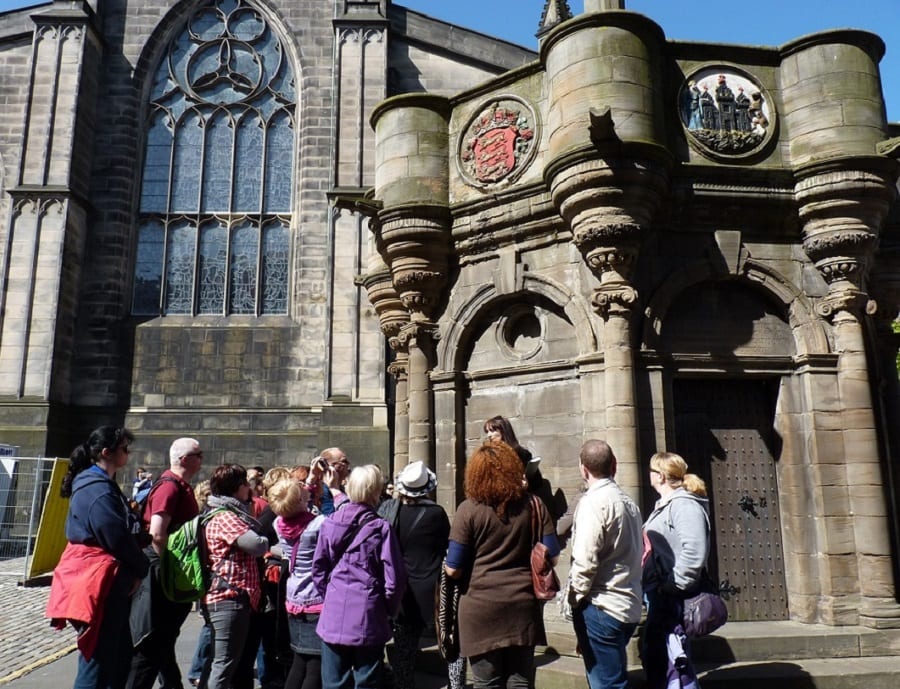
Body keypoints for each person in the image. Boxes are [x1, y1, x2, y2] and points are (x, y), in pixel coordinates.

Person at [445, 441, 559, 689]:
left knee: (487, 683)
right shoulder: (533, 505)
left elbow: (453, 568)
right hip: (522, 605)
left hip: (480, 608)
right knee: (520, 681)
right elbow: (553, 555)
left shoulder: (468, 510)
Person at [47, 425, 150, 689]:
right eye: (124, 449)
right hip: (97, 579)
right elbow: (113, 533)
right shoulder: (96, 488)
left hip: (106, 578)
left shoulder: (102, 485)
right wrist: (141, 566)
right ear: (107, 452)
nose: (128, 453)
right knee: (98, 659)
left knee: (113, 656)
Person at [312, 464, 407, 689]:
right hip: (368, 611)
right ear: (375, 491)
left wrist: (330, 596)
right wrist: (387, 609)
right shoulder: (380, 528)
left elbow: (318, 569)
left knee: (334, 681)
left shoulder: (330, 523)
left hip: (334, 610)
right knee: (367, 681)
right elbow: (395, 580)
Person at [127, 438, 203, 689]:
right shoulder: (170, 487)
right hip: (162, 573)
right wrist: (169, 572)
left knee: (163, 641)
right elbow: (158, 533)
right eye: (197, 454)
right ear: (184, 460)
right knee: (154, 643)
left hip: (165, 571)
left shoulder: (181, 486)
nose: (202, 458)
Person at [567, 440, 643, 689]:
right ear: (615, 465)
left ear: (583, 469)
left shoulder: (592, 503)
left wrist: (574, 600)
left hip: (603, 607)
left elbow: (584, 563)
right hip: (627, 605)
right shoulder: (629, 503)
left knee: (608, 685)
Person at [378, 461, 451, 689]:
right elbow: (444, 545)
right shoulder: (436, 514)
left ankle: (403, 684)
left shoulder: (391, 511)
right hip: (430, 586)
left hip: (402, 587)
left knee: (404, 645)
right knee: (445, 640)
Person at [641, 452, 711, 689]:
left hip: (672, 597)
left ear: (660, 476)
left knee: (675, 661)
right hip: (660, 594)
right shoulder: (666, 504)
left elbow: (694, 552)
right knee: (662, 657)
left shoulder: (684, 506)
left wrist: (670, 586)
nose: (648, 474)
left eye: (651, 470)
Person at [202, 464, 270, 689]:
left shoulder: (225, 513)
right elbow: (257, 545)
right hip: (228, 598)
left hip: (228, 597)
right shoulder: (226, 517)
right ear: (237, 487)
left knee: (220, 661)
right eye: (245, 485)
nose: (248, 489)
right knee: (223, 665)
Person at [270, 478, 327, 689]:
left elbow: (300, 506)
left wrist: (309, 487)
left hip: (293, 598)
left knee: (299, 659)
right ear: (301, 501)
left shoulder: (278, 523)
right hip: (315, 598)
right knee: (315, 664)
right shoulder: (317, 526)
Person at [482, 415, 561, 524]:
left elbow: (537, 482)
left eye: (493, 430)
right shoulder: (486, 455)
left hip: (521, 508)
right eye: (487, 432)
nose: (489, 435)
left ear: (504, 431)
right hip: (497, 509)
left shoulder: (522, 454)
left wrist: (527, 482)